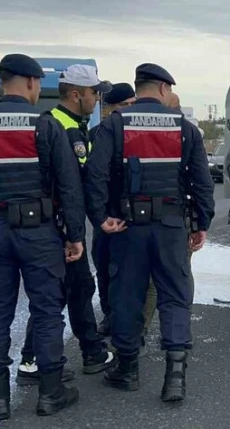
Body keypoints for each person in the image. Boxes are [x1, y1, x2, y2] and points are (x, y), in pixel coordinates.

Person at [84, 63, 214, 402]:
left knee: (127, 296)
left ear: (138, 87)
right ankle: (175, 377)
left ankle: (127, 370)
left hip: (127, 227)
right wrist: (201, 224)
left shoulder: (115, 124)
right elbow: (202, 182)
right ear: (164, 89)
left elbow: (95, 175)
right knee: (175, 296)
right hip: (171, 227)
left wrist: (100, 218)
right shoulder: (185, 128)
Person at [16, 65, 115, 386]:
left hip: (55, 222)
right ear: (76, 94)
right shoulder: (62, 127)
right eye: (94, 93)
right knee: (59, 292)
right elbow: (76, 184)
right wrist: (83, 227)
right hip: (56, 225)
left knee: (74, 288)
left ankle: (87, 350)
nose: (98, 99)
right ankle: (35, 359)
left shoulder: (73, 124)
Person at [0, 54, 83, 418]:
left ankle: (1, 400)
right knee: (47, 310)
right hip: (38, 231)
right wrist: (75, 235)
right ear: (33, 82)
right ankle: (50, 392)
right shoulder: (45, 124)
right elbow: (68, 185)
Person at [140, 92, 201, 353]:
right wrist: (201, 222)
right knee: (180, 275)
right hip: (180, 218)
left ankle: (141, 331)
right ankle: (177, 333)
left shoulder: (151, 133)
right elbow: (201, 182)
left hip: (153, 218)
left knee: (153, 281)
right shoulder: (189, 133)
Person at [90, 82, 137, 336]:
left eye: (132, 104)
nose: (129, 109)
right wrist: (99, 215)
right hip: (106, 214)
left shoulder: (139, 133)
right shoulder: (96, 134)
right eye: (124, 105)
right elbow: (91, 177)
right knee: (104, 268)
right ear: (109, 108)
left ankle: (128, 322)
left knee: (130, 272)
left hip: (132, 214)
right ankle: (109, 315)